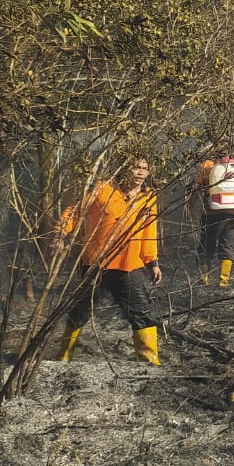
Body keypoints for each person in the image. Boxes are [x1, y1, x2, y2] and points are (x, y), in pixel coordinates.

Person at [54, 156, 165, 365]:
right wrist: (61, 233)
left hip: (129, 265)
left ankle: (150, 362)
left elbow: (149, 232)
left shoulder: (148, 198)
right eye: (136, 167)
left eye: (145, 168)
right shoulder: (102, 189)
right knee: (80, 311)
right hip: (96, 264)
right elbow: (75, 212)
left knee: (141, 311)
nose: (141, 173)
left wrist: (152, 262)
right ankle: (63, 357)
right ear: (124, 169)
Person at [192, 150, 234, 287]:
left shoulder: (206, 166)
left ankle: (203, 280)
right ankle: (223, 282)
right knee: (228, 247)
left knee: (206, 246)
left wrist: (190, 206)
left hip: (211, 213)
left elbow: (196, 188)